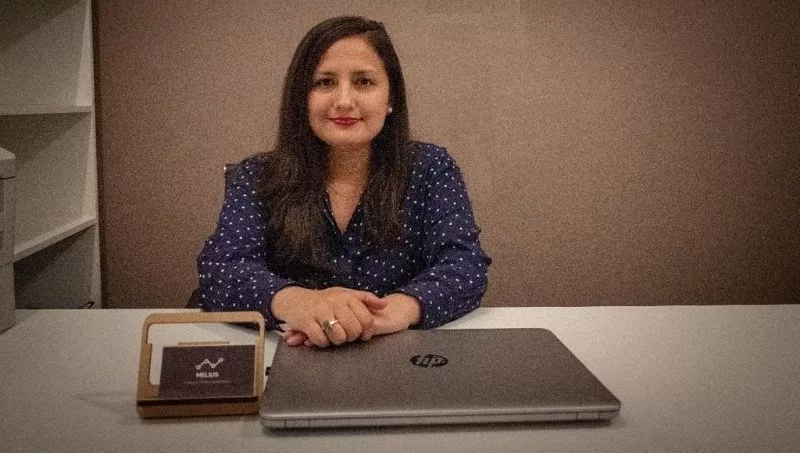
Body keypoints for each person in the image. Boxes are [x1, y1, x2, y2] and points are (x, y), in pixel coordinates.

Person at [197, 16, 490, 348]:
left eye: (364, 82)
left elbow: (465, 265)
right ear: (301, 98)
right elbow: (220, 269)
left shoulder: (431, 168)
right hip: (288, 350)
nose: (345, 101)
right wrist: (299, 303)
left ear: (390, 98)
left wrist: (392, 312)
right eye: (325, 82)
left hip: (398, 352)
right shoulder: (256, 176)